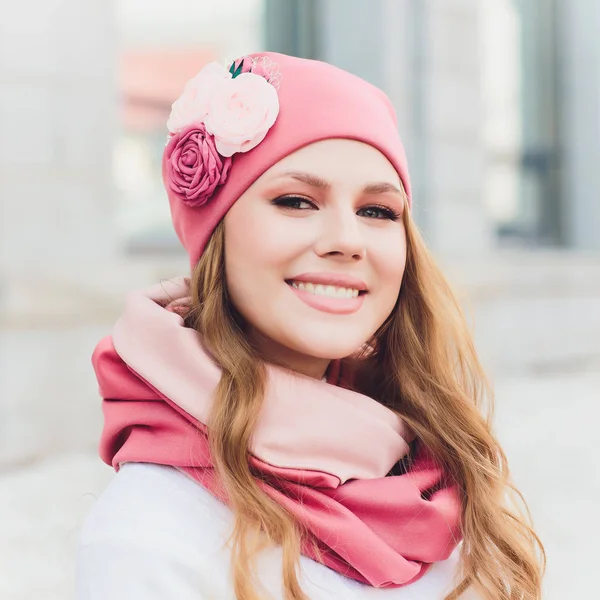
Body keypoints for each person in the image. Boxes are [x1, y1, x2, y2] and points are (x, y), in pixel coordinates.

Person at [75, 52, 545, 600]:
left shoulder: (434, 472)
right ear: (217, 236)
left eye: (378, 211)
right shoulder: (151, 536)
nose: (347, 239)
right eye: (296, 201)